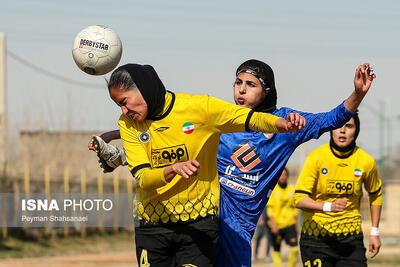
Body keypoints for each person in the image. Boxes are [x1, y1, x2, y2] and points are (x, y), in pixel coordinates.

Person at [89, 60, 375, 267]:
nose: (241, 90)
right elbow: (166, 135)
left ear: (267, 90)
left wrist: (358, 94)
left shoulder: (287, 124)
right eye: (238, 83)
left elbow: (330, 119)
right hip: (204, 215)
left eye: (250, 85)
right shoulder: (222, 121)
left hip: (238, 226)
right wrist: (114, 137)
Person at [294, 113, 382, 267]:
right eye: (338, 125)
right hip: (316, 240)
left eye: (349, 126)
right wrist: (329, 206)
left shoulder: (366, 161)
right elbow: (299, 199)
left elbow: (376, 195)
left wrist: (374, 232)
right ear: (331, 130)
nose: (342, 130)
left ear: (356, 130)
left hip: (350, 241)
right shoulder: (316, 158)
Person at [267, 167, 299, 267]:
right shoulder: (272, 190)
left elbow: (295, 209)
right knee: (276, 250)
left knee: (294, 249)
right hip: (276, 225)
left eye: (285, 174)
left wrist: (297, 226)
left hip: (290, 224)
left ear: (287, 176)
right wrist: (273, 225)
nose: (283, 176)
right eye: (281, 174)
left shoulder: (292, 189)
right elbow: (270, 209)